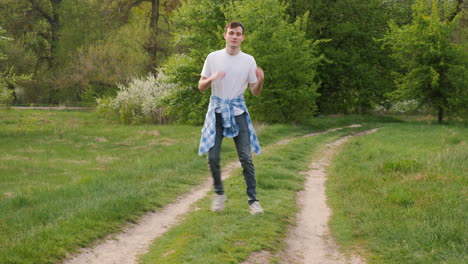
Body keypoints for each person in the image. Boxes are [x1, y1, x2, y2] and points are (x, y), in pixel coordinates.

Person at [198, 21, 265, 215]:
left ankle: (253, 201)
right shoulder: (213, 57)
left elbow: (255, 92)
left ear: (243, 38)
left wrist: (260, 80)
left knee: (246, 157)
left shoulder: (248, 61)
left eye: (238, 34)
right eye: (231, 33)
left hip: (237, 111)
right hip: (217, 111)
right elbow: (201, 86)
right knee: (213, 157)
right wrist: (211, 78)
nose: (234, 37)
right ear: (225, 35)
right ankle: (219, 193)